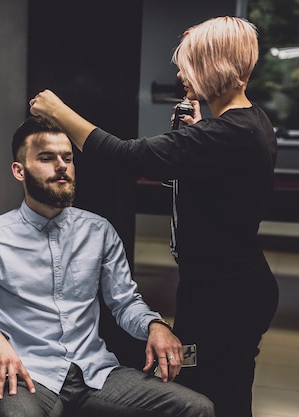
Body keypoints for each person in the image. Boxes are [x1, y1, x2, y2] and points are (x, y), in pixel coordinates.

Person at [29, 16, 278, 417]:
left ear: (214, 66)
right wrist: (197, 136)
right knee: (212, 393)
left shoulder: (224, 136)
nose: (179, 72)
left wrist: (59, 112)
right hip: (224, 284)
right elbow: (217, 176)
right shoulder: (247, 124)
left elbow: (127, 157)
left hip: (226, 295)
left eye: (187, 63)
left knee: (216, 400)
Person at [0, 116, 214, 417]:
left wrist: (154, 325)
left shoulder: (99, 232)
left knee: (197, 408)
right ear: (19, 170)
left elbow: (124, 303)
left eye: (67, 158)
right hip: (31, 378)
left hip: (97, 373)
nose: (61, 166)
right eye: (46, 158)